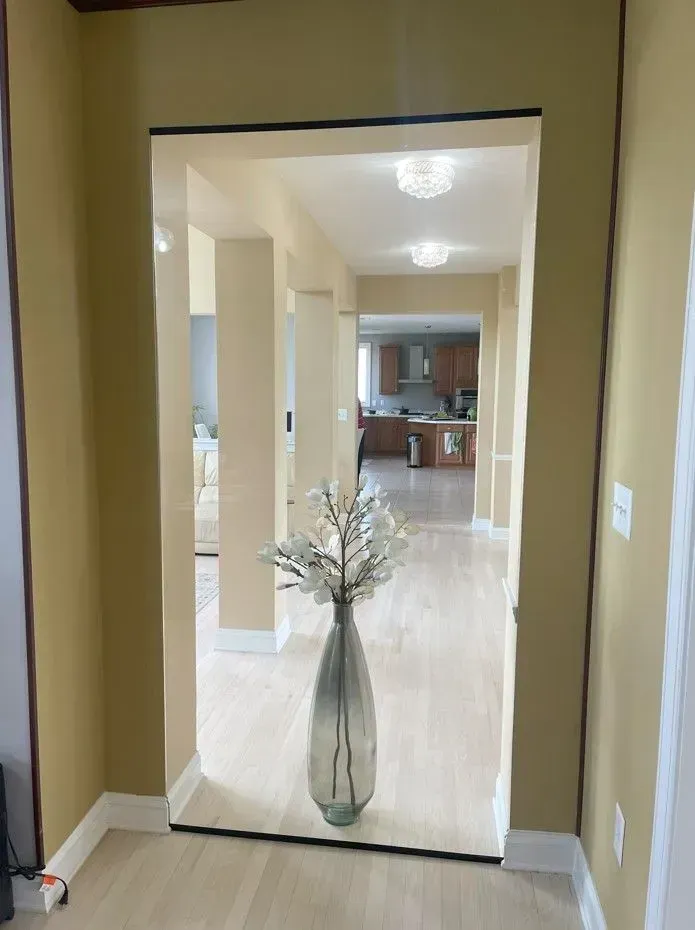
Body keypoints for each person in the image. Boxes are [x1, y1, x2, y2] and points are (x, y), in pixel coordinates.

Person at [357, 398, 366, 477]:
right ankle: (355, 479)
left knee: (357, 456)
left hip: (358, 430)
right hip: (359, 429)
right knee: (357, 456)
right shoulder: (355, 398)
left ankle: (355, 479)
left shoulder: (353, 399)